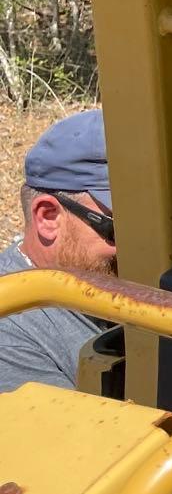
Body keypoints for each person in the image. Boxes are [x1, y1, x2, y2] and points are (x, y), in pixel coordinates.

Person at [0, 108, 116, 395]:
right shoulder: (9, 334)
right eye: (121, 229)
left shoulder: (102, 277)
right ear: (49, 217)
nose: (143, 246)